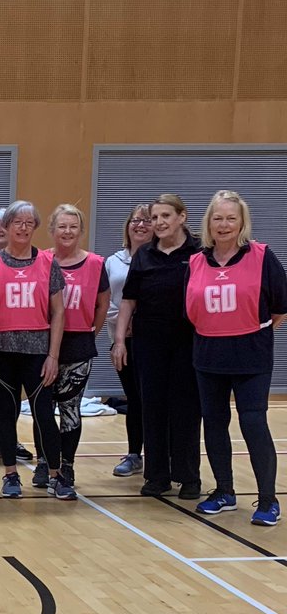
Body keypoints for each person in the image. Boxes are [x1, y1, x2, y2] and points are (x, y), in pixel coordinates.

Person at [185, 191, 287, 526]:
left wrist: (250, 332)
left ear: (242, 222)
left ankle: (269, 500)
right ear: (209, 223)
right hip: (208, 353)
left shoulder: (261, 256)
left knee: (253, 421)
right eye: (218, 218)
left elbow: (279, 308)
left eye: (231, 218)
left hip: (251, 354)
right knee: (213, 423)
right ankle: (224, 492)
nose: (224, 224)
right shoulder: (197, 261)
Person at [113, 193, 202, 499]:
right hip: (149, 343)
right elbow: (128, 300)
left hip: (189, 342)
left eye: (165, 216)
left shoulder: (200, 251)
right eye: (155, 218)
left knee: (186, 409)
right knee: (152, 407)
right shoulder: (144, 255)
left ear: (182, 217)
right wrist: (120, 340)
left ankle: (189, 477)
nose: (159, 223)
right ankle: (157, 475)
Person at [0, 200, 74, 500]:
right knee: (5, 414)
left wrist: (53, 355)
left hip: (38, 351)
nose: (23, 228)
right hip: (0, 352)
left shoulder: (48, 263)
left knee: (44, 414)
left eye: (28, 223)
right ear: (6, 227)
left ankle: (54, 475)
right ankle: (10, 475)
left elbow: (59, 312)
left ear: (35, 227)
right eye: (17, 223)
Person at [43, 204, 109, 497]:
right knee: (43, 409)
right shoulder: (42, 260)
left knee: (70, 409)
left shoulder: (96, 263)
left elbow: (103, 304)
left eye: (73, 226)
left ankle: (66, 464)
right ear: (52, 230)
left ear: (81, 231)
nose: (67, 232)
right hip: (42, 344)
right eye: (62, 226)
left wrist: (90, 330)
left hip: (78, 345)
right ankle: (46, 462)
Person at [0, 207, 33, 462]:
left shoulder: (31, 258)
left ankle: (10, 437)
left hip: (21, 340)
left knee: (14, 391)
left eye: (3, 225)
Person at [104, 203, 153, 477]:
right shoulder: (113, 262)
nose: (141, 225)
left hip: (154, 341)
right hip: (123, 341)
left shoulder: (160, 258)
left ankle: (161, 455)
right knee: (134, 398)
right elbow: (108, 303)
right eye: (136, 220)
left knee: (154, 399)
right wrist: (124, 324)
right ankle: (135, 454)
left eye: (147, 220)